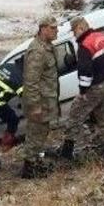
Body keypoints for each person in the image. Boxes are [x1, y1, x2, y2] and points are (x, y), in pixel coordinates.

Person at [59, 17, 104, 161]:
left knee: (75, 114)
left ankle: (67, 150)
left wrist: (83, 91)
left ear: (80, 28)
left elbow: (85, 71)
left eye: (74, 31)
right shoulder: (103, 36)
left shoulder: (85, 45)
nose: (74, 35)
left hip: (95, 87)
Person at [20, 16, 59, 179]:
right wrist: (35, 105)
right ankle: (29, 168)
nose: (56, 30)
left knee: (41, 132)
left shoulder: (48, 47)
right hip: (39, 102)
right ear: (43, 29)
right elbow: (31, 81)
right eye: (53, 28)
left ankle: (35, 161)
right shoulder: (37, 51)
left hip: (47, 100)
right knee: (35, 133)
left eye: (56, 28)